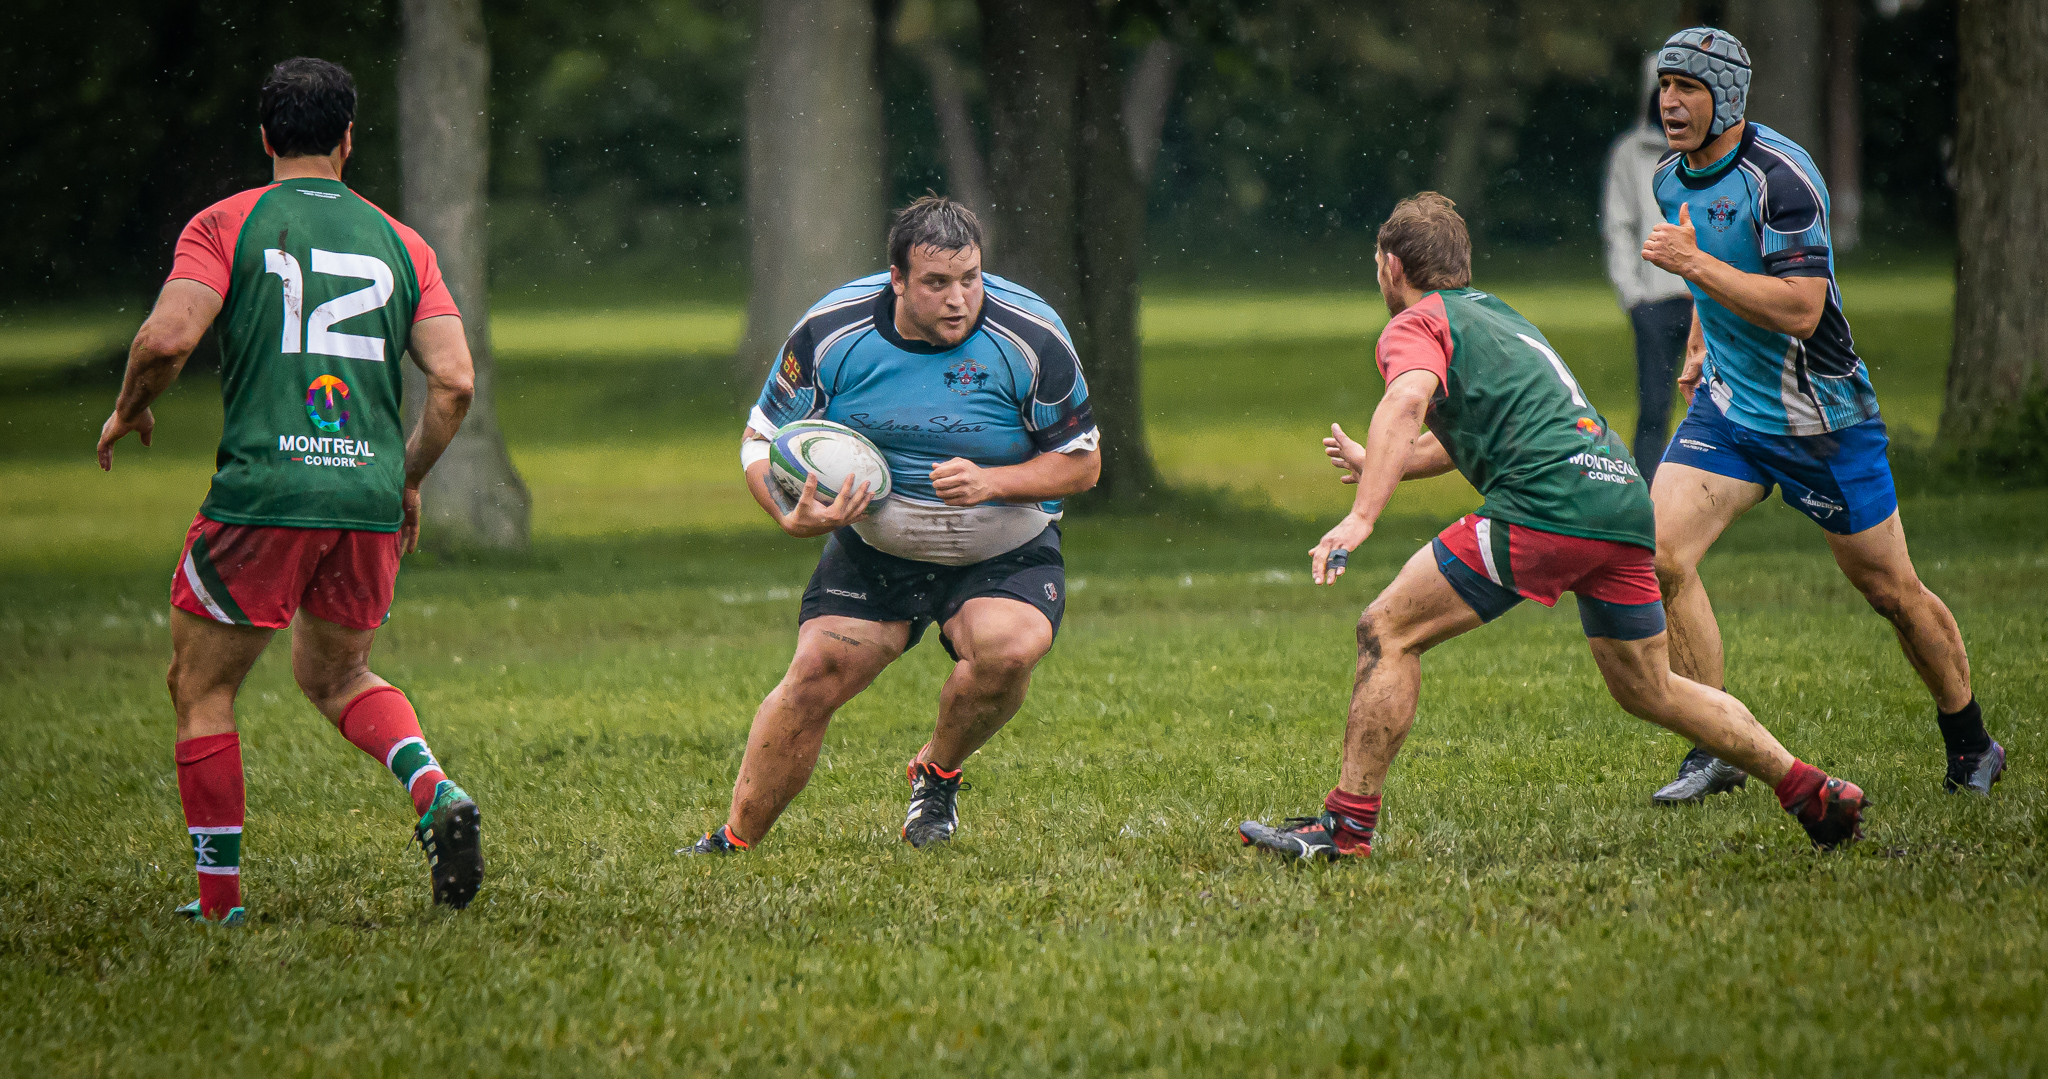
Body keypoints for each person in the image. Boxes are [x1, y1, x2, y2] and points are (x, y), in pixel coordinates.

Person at [1237, 192, 1866, 862]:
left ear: (1392, 266)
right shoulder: (1499, 319)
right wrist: (1378, 466)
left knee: (1386, 630)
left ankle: (1346, 829)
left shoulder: (1413, 324)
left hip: (1547, 507)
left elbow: (1405, 400)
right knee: (1650, 688)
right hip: (1621, 501)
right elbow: (1462, 435)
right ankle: (1808, 786)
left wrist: (1364, 514)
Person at [96, 58, 484, 924]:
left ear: (266, 137)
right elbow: (454, 381)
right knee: (339, 673)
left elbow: (166, 340)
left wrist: (128, 409)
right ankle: (434, 786)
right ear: (349, 139)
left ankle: (221, 904)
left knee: (202, 689)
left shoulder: (226, 222)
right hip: (364, 501)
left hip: (262, 497)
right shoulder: (403, 241)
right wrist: (407, 477)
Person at [1638, 27, 2003, 803]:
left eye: (1688, 88)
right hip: (1731, 411)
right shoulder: (1672, 178)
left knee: (1891, 591)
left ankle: (1971, 739)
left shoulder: (1784, 180)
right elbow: (1717, 271)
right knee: (1661, 556)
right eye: (1665, 86)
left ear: (1728, 96)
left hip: (1822, 420)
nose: (1670, 102)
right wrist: (1700, 344)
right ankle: (1716, 747)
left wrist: (1692, 266)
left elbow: (1802, 310)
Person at [682, 196, 1100, 855]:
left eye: (970, 278)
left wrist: (995, 481)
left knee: (1007, 652)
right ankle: (734, 840)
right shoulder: (834, 330)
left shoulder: (1031, 335)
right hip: (877, 550)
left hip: (1003, 551)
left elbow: (1083, 463)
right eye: (936, 283)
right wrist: (789, 513)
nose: (959, 299)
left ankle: (936, 772)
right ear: (897, 279)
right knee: (815, 672)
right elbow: (759, 439)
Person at [1603, 52, 1696, 477]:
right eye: (1664, 87)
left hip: (1706, 300)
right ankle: (1647, 501)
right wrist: (1633, 295)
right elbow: (1618, 224)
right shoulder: (1631, 153)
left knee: (1714, 410)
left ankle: (1705, 493)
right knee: (1654, 408)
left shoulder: (1711, 152)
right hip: (1653, 302)